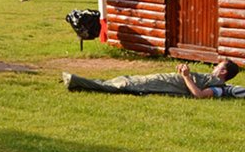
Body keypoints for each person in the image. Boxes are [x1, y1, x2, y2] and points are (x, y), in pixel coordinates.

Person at [63, 60, 240, 98]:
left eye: (218, 65)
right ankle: (79, 81)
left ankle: (75, 81)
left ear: (223, 71)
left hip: (163, 85)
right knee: (126, 79)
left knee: (125, 84)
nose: (214, 66)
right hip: (163, 78)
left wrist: (186, 76)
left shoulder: (218, 88)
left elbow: (199, 94)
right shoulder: (213, 79)